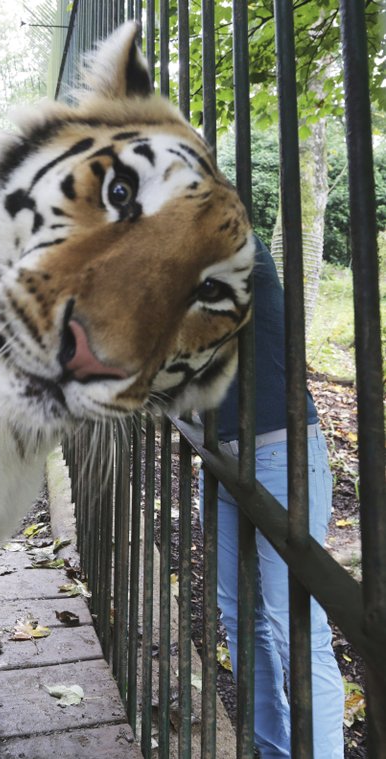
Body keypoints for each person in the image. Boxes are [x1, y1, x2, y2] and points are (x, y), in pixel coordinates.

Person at [203, 236, 344, 759]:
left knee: (296, 628)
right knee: (239, 615)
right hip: (220, 460)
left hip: (281, 458)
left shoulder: (224, 233)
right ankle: (271, 749)